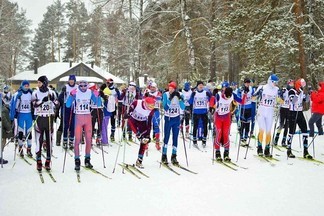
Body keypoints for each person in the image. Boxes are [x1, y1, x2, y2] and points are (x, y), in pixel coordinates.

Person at [66, 80, 100, 170]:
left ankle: (87, 160)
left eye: (85, 86)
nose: (83, 88)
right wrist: (71, 96)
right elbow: (68, 105)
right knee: (77, 140)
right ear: (79, 86)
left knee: (89, 140)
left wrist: (97, 95)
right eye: (81, 86)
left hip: (88, 118)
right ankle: (77, 160)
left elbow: (98, 104)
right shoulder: (76, 92)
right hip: (78, 117)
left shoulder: (90, 92)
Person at [32, 76, 58, 171]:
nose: (38, 84)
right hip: (39, 118)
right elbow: (34, 104)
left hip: (49, 118)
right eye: (38, 82)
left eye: (40, 82)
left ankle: (48, 160)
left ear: (45, 83)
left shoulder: (51, 92)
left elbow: (57, 103)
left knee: (49, 141)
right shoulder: (35, 92)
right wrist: (42, 101)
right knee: (39, 141)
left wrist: (53, 100)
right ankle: (38, 161)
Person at [253, 74, 281, 157]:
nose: (275, 84)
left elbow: (279, 100)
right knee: (262, 130)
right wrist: (256, 94)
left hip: (270, 111)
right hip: (261, 110)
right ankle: (260, 147)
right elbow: (253, 98)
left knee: (269, 130)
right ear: (270, 81)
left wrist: (281, 99)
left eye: (276, 82)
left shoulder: (276, 89)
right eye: (274, 82)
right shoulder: (262, 87)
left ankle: (267, 149)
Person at [126, 97, 155, 168]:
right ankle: (137, 134)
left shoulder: (151, 111)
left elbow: (149, 123)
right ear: (145, 103)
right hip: (133, 121)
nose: (151, 108)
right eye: (150, 106)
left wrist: (148, 134)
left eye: (152, 106)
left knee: (144, 140)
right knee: (138, 135)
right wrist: (127, 114)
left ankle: (139, 160)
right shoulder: (137, 103)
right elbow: (129, 111)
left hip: (142, 122)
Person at [286, 78, 312, 159]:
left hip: (300, 112)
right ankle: (289, 150)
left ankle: (306, 151)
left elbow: (306, 100)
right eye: (301, 85)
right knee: (292, 131)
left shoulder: (301, 91)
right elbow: (292, 101)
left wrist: (309, 94)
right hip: (293, 113)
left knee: (305, 130)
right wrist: (298, 92)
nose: (302, 87)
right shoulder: (292, 91)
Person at [161, 81, 185, 164]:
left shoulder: (179, 94)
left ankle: (174, 156)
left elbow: (182, 107)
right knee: (167, 137)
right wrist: (170, 99)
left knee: (175, 137)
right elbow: (165, 108)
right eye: (169, 88)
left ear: (175, 89)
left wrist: (181, 99)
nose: (170, 90)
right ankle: (164, 155)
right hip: (168, 118)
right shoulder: (165, 94)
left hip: (176, 119)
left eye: (172, 88)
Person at [10, 80, 33, 157]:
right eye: (25, 86)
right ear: (22, 86)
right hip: (21, 114)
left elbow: (34, 103)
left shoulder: (31, 93)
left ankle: (29, 149)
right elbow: (15, 105)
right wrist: (15, 113)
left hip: (29, 114)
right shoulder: (18, 94)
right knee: (20, 132)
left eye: (27, 86)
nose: (26, 87)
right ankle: (20, 148)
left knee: (29, 132)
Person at [189, 80, 212, 148]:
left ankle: (204, 140)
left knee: (205, 126)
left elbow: (212, 100)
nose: (201, 86)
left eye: (202, 85)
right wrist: (192, 96)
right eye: (199, 85)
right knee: (195, 126)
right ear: (197, 86)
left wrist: (210, 96)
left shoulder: (206, 92)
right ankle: (194, 140)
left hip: (204, 112)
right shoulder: (194, 93)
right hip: (196, 112)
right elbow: (190, 102)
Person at [57, 74, 78, 149]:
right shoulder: (65, 87)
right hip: (66, 107)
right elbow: (59, 98)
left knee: (73, 125)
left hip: (74, 107)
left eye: (73, 80)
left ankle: (71, 141)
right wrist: (62, 99)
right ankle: (65, 140)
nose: (71, 81)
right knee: (65, 124)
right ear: (68, 80)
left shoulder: (77, 87)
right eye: (70, 80)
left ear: (74, 81)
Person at [273, 79, 294, 147]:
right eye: (290, 84)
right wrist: (280, 96)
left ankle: (284, 141)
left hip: (289, 109)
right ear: (288, 84)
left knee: (287, 125)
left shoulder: (293, 91)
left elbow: (294, 100)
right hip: (283, 109)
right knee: (281, 125)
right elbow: (279, 98)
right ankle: (276, 139)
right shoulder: (284, 90)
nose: (291, 85)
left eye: (292, 84)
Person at [144, 82, 162, 150]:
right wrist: (146, 96)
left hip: (156, 110)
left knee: (156, 126)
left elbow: (159, 98)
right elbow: (143, 99)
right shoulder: (147, 92)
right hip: (148, 110)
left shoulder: (158, 93)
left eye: (154, 87)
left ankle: (157, 142)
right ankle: (146, 143)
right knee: (147, 127)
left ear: (156, 87)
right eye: (151, 87)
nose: (152, 88)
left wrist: (151, 97)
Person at [237, 78, 254, 144]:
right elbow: (238, 98)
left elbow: (253, 96)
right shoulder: (241, 89)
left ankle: (246, 137)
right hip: (243, 107)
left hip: (249, 107)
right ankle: (241, 137)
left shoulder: (251, 88)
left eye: (248, 83)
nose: (247, 84)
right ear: (244, 83)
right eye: (246, 83)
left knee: (248, 123)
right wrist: (243, 94)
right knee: (243, 123)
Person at [1, 97, 13, 164]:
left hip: (3, 129)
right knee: (2, 142)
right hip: (2, 129)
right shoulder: (3, 109)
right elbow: (4, 119)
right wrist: (8, 128)